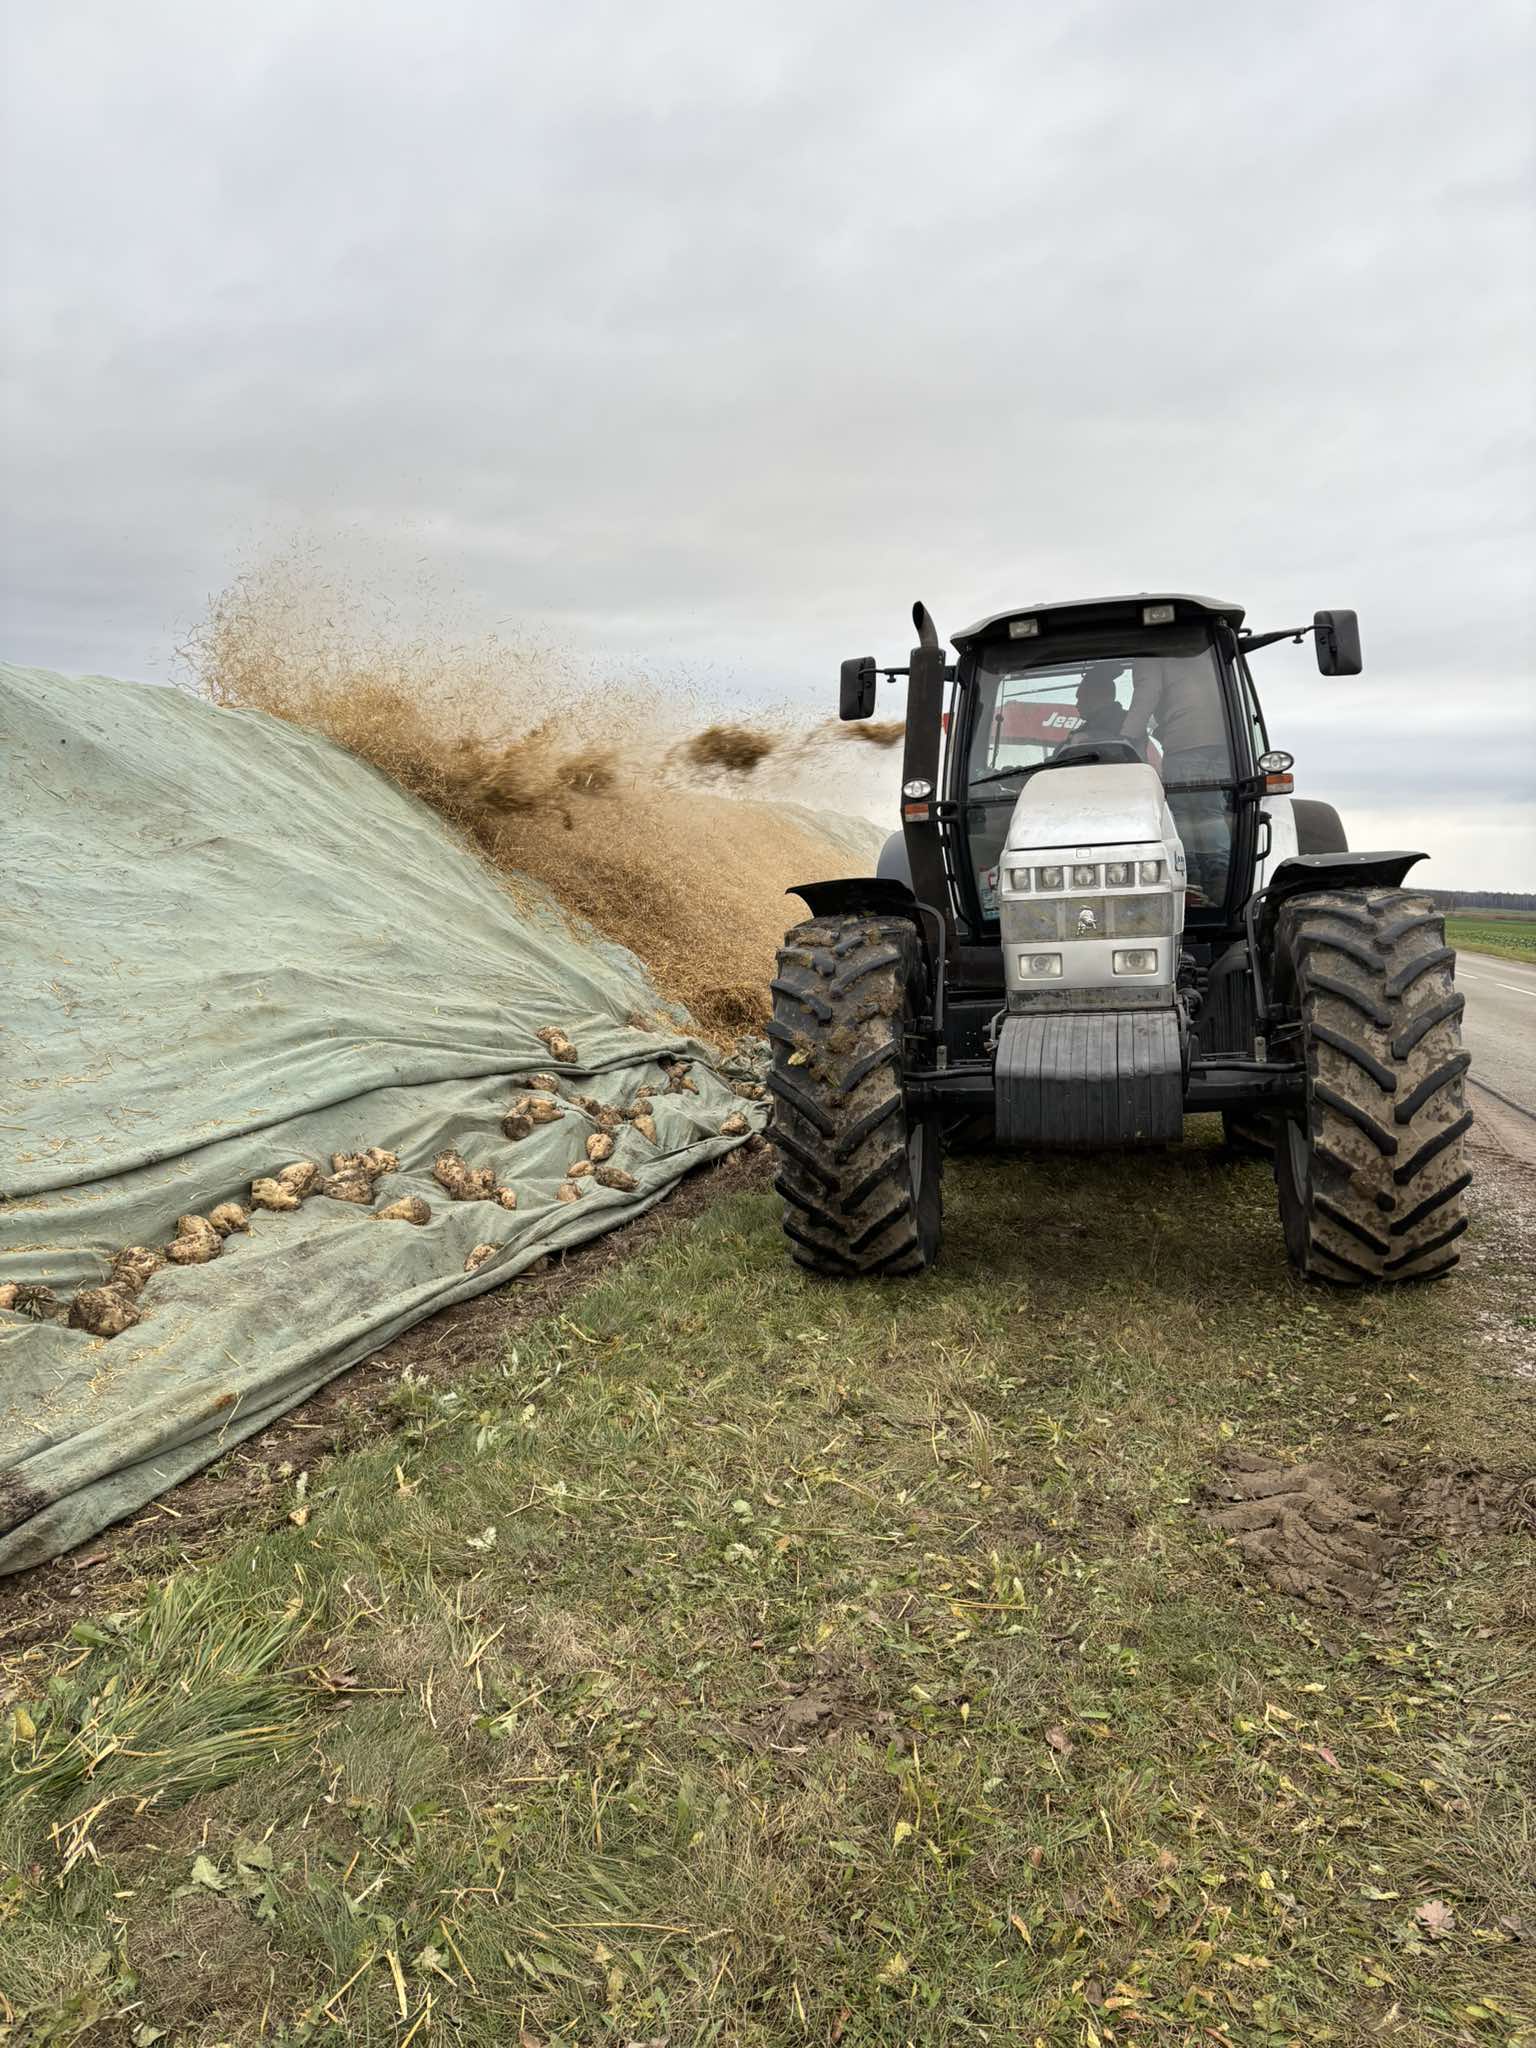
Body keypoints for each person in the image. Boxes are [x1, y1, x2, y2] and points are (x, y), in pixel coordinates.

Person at [1121, 655, 1232, 905]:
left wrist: (1125, 738)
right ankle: (1221, 877)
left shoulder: (1150, 653)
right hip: (1225, 743)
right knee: (1212, 811)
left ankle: (1191, 879)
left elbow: (1147, 694)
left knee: (1182, 814)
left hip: (1186, 742)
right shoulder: (1205, 654)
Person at [1063, 664, 1127, 750]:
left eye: (1082, 699)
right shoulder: (1088, 727)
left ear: (1101, 698)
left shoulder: (1127, 723)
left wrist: (1088, 738)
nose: (1077, 705)